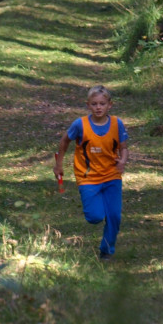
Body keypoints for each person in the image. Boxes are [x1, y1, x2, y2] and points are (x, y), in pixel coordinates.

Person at [54, 85, 129, 260]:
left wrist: (123, 161)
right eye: (94, 104)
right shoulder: (80, 124)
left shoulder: (117, 124)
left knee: (114, 216)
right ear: (88, 105)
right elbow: (65, 141)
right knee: (95, 217)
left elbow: (124, 148)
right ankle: (98, 207)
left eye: (102, 103)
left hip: (112, 176)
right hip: (87, 177)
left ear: (110, 105)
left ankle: (106, 250)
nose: (98, 107)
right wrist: (58, 164)